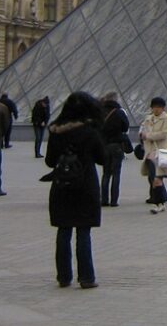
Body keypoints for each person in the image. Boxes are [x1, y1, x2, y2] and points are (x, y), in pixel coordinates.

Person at [45, 91, 105, 289]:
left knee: (63, 231)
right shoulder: (90, 132)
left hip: (62, 186)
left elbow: (50, 162)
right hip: (85, 186)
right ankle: (86, 277)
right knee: (83, 231)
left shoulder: (55, 132)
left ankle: (63, 277)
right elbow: (102, 159)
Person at [140, 97, 167, 214]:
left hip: (161, 152)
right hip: (150, 152)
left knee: (157, 179)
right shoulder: (148, 118)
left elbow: (164, 134)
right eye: (154, 107)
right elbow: (143, 131)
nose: (156, 109)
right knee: (152, 178)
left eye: (158, 107)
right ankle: (161, 202)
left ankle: (157, 203)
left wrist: (148, 135)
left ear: (163, 108)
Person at [99, 94, 129, 207]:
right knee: (116, 174)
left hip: (105, 145)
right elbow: (126, 127)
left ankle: (104, 200)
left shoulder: (100, 112)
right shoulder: (119, 112)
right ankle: (114, 201)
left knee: (106, 174)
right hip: (117, 145)